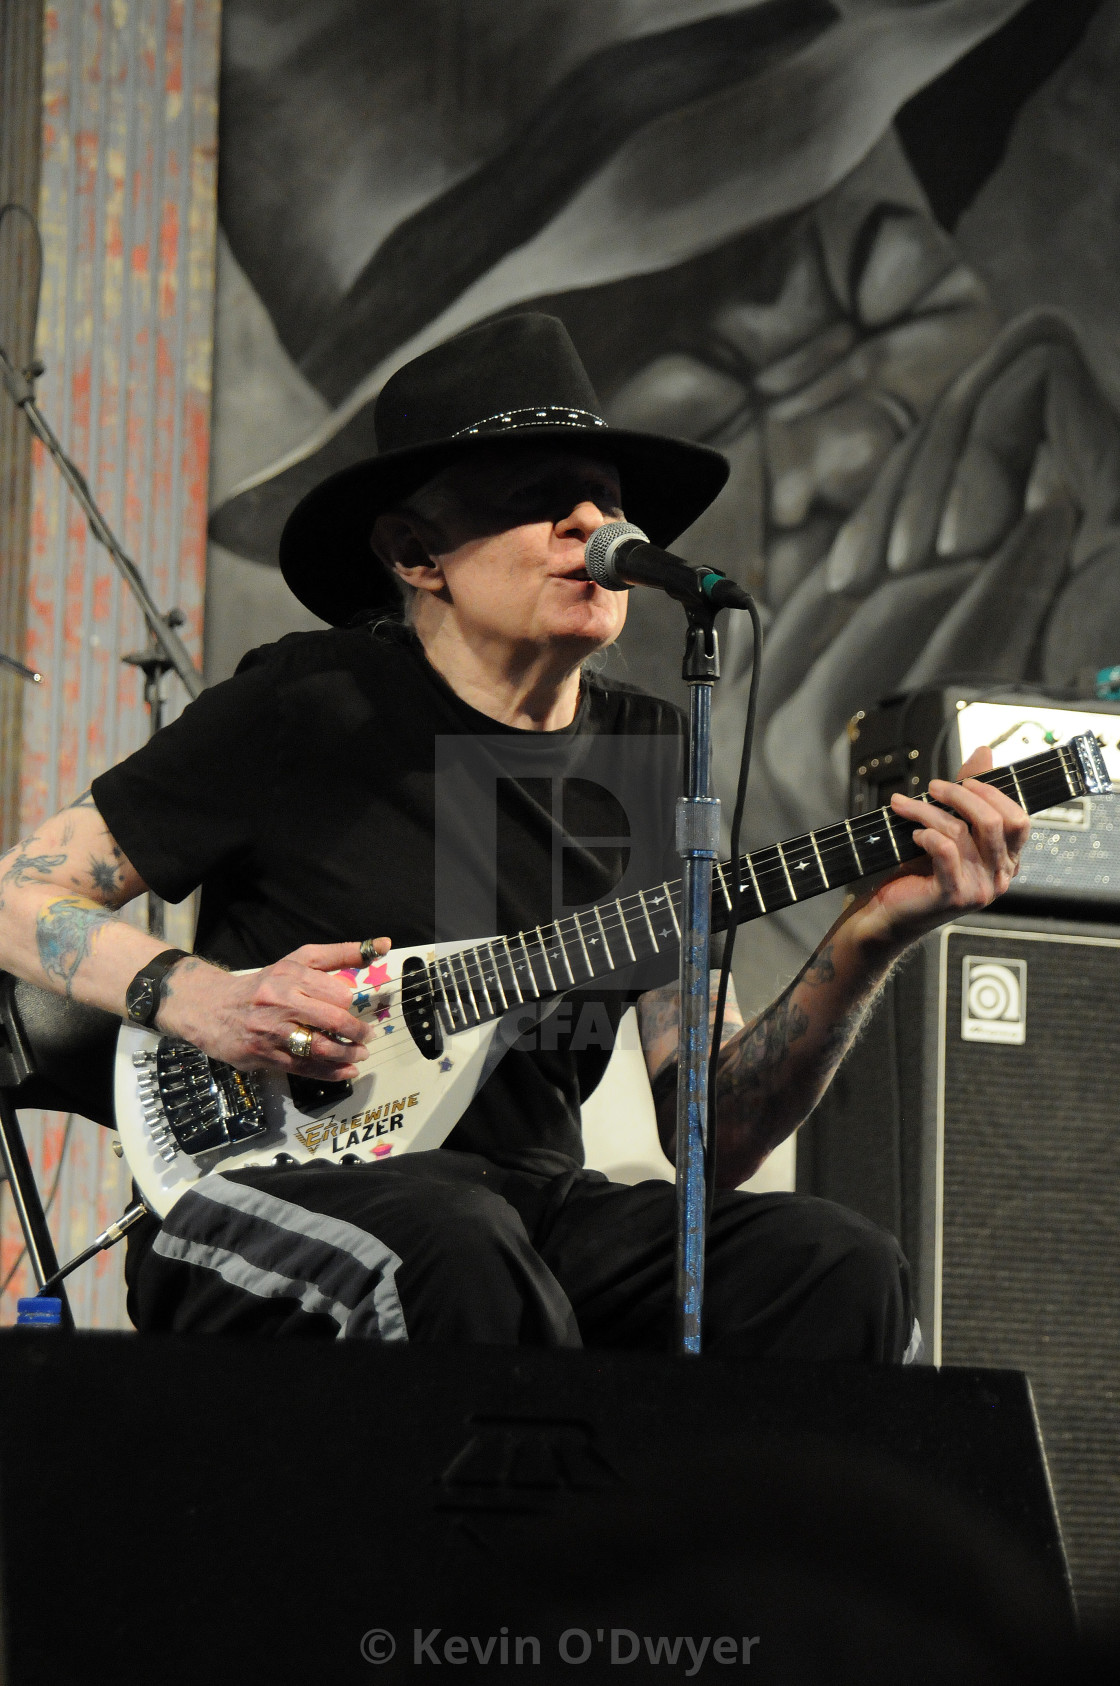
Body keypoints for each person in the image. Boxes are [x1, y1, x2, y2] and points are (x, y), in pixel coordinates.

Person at [0, 314, 1029, 1352]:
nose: (588, 524)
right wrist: (204, 999)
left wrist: (867, 936)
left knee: (833, 1266)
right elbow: (18, 897)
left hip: (525, 1212)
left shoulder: (652, 753)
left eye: (606, 501)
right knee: (454, 1242)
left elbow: (707, 1140)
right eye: (538, 500)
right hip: (257, 1187)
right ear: (416, 554)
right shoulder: (307, 705)